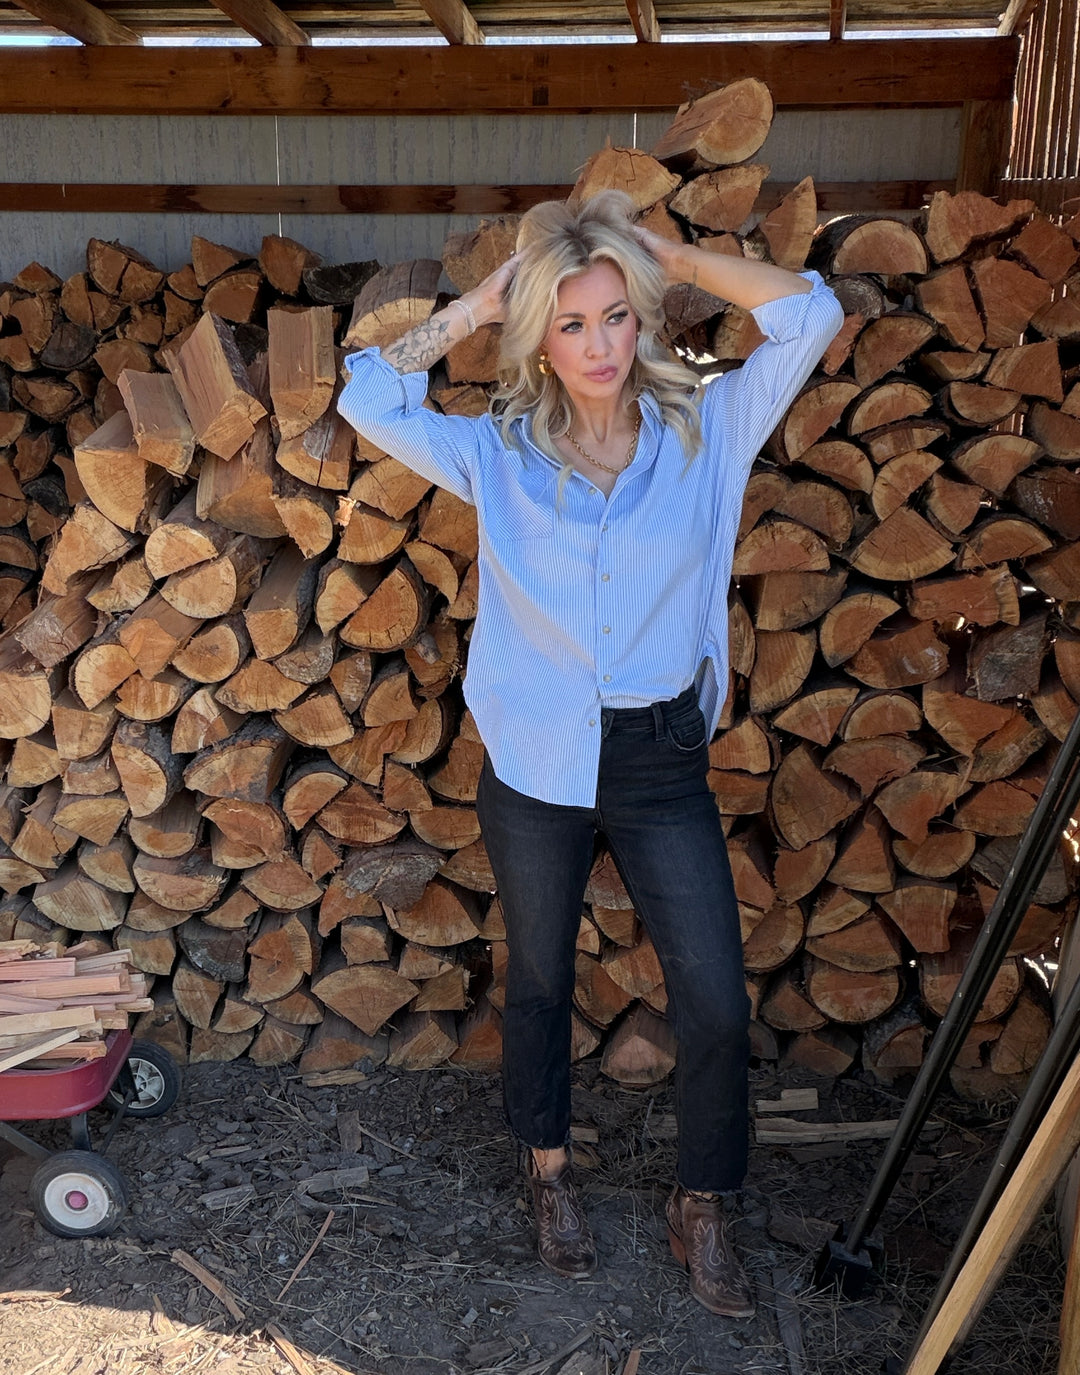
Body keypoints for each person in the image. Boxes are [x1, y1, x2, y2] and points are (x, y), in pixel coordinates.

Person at [338, 191, 843, 1318]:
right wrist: (479, 300)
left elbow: (812, 312)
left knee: (714, 997)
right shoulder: (499, 454)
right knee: (544, 980)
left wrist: (674, 255)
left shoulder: (705, 428)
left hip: (660, 756)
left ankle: (701, 1204)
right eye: (570, 323)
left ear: (642, 317)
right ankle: (549, 1174)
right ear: (538, 335)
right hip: (538, 758)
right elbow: (368, 392)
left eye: (617, 314)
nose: (600, 344)